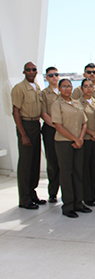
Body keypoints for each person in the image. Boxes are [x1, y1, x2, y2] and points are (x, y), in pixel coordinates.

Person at [51, 79, 92, 218]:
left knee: (77, 173)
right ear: (59, 88)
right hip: (64, 143)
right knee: (66, 174)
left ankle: (78, 203)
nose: (67, 89)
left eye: (69, 86)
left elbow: (84, 122)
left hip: (78, 142)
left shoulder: (77, 103)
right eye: (64, 86)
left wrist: (80, 139)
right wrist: (75, 139)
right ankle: (68, 206)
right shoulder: (57, 105)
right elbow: (58, 126)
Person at [11, 62, 46, 209]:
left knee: (34, 162)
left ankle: (32, 193)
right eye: (28, 70)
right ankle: (24, 199)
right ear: (24, 72)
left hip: (35, 125)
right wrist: (23, 134)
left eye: (34, 70)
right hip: (25, 125)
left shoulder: (36, 87)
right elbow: (16, 111)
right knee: (25, 164)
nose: (31, 72)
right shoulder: (19, 88)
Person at [79, 78, 95, 206]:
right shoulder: (78, 103)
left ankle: (94, 194)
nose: (89, 88)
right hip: (86, 139)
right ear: (82, 89)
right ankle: (87, 196)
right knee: (86, 169)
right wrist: (92, 133)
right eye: (86, 86)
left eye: (90, 86)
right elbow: (79, 123)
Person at [40, 66, 60, 203]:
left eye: (56, 74)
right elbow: (43, 113)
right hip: (51, 130)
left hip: (66, 130)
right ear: (46, 78)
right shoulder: (43, 93)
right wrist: (56, 126)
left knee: (65, 162)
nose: (54, 77)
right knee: (52, 162)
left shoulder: (65, 90)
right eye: (51, 75)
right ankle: (53, 193)